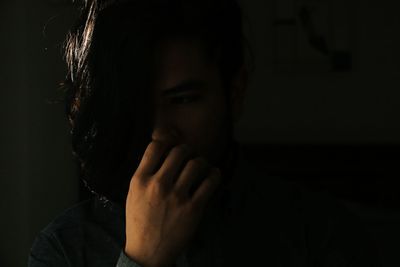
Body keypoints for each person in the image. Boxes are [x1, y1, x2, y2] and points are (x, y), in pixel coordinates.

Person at [29, 0, 381, 266]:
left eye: (182, 100)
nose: (158, 132)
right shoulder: (65, 247)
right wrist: (143, 259)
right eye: (136, 104)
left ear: (235, 92)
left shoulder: (319, 234)